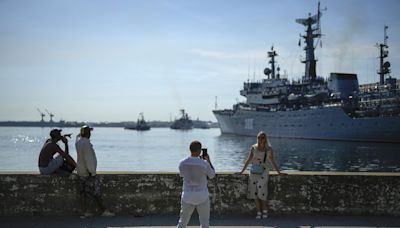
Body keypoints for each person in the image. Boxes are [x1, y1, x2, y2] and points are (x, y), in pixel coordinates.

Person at [238, 131, 285, 219]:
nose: (260, 139)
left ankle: (265, 211)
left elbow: (272, 161)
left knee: (262, 191)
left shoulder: (269, 149)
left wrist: (278, 172)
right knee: (254, 193)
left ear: (265, 139)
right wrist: (242, 171)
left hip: (263, 172)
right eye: (259, 137)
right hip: (253, 172)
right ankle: (259, 212)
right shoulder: (253, 148)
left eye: (262, 137)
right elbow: (248, 160)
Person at [75, 125, 114, 218]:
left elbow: (78, 137)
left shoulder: (78, 142)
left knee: (83, 193)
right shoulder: (86, 143)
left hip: (80, 171)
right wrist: (92, 172)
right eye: (89, 132)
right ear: (87, 133)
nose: (90, 134)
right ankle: (104, 211)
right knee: (96, 192)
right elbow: (88, 159)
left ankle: (84, 212)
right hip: (87, 172)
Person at [177, 141, 215, 228]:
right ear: (200, 151)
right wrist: (208, 161)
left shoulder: (182, 163)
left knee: (182, 222)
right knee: (205, 223)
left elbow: (182, 174)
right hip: (202, 195)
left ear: (190, 149)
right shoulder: (204, 163)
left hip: (187, 195)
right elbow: (212, 175)